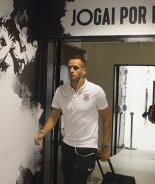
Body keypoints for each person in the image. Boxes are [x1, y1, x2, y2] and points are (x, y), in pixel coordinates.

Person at [34, 55, 111, 184]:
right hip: (67, 146)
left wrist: (105, 147)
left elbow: (106, 120)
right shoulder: (61, 91)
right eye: (69, 67)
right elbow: (54, 116)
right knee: (68, 180)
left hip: (87, 147)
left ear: (84, 70)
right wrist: (42, 132)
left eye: (76, 68)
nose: (71, 70)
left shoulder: (96, 91)